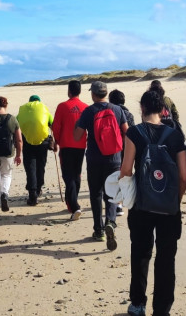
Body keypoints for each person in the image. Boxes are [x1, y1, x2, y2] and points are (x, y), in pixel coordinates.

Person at [120, 89, 186, 316]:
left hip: (142, 205)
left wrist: (128, 195)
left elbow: (126, 170)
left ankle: (138, 303)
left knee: (140, 253)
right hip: (169, 206)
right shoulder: (176, 135)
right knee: (167, 257)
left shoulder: (134, 133)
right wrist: (175, 201)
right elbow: (183, 177)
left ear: (142, 108)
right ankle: (162, 309)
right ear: (162, 110)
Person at [73, 80, 129, 248]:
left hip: (94, 158)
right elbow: (127, 131)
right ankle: (110, 222)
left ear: (93, 94)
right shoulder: (117, 109)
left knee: (96, 193)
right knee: (111, 193)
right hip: (114, 158)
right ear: (106, 93)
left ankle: (99, 231)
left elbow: (77, 136)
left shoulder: (89, 111)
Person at [52, 80, 88, 220]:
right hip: (80, 146)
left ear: (69, 91)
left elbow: (56, 127)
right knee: (76, 174)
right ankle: (71, 203)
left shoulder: (62, 106)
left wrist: (58, 141)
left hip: (66, 145)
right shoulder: (85, 107)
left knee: (69, 176)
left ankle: (74, 206)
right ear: (80, 91)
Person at [16, 94, 55, 206]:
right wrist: (55, 142)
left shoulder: (23, 109)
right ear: (39, 101)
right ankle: (38, 189)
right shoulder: (44, 108)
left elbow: (16, 126)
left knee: (30, 167)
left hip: (27, 142)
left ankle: (32, 194)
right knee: (40, 166)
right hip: (43, 141)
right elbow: (52, 125)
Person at [109, 89, 136, 217]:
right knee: (126, 175)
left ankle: (118, 205)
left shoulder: (110, 113)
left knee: (116, 176)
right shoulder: (129, 114)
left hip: (113, 148)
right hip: (128, 148)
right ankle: (126, 200)